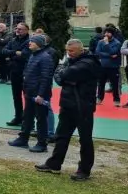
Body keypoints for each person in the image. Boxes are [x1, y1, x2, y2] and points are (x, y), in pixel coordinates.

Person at [35, 39, 100, 182]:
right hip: (67, 105)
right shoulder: (73, 61)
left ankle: (84, 170)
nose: (68, 54)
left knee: (85, 140)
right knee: (61, 136)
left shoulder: (88, 63)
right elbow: (59, 75)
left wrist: (64, 75)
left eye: (71, 51)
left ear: (80, 50)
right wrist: (64, 75)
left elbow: (64, 75)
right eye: (67, 51)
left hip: (83, 107)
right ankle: (54, 164)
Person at [8, 34, 55, 153]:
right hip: (30, 92)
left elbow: (46, 78)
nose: (29, 43)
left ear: (38, 44)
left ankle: (41, 143)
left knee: (41, 119)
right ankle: (23, 138)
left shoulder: (45, 57)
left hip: (38, 94)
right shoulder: (34, 55)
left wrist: (41, 94)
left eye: (32, 42)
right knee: (27, 117)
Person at [2, 23, 31, 126]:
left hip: (25, 73)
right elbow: (4, 51)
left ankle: (28, 121)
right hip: (14, 72)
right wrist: (15, 53)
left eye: (21, 29)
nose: (18, 31)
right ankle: (18, 117)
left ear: (27, 30)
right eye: (17, 29)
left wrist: (11, 55)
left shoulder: (29, 42)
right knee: (16, 97)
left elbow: (25, 55)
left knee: (28, 98)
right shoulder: (13, 40)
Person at [95, 27, 122, 107]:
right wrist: (109, 55)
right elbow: (98, 52)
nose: (106, 34)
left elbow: (113, 51)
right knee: (101, 83)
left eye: (108, 32)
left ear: (112, 34)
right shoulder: (100, 42)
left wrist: (107, 44)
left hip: (113, 67)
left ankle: (116, 100)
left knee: (115, 84)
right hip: (102, 66)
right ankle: (99, 98)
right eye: (105, 32)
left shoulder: (117, 43)